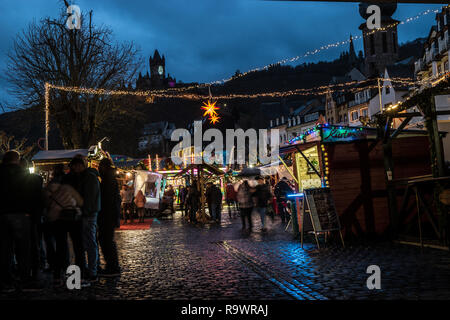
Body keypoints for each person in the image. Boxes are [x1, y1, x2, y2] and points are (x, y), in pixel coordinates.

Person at [0, 151, 39, 292]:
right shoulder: (22, 174)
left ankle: (5, 280)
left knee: (4, 249)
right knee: (23, 249)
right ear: (16, 160)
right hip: (21, 214)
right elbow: (30, 195)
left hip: (3, 214)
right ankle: (25, 279)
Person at [45, 165, 85, 286]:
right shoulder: (68, 188)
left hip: (57, 220)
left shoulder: (48, 190)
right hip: (72, 218)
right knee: (78, 248)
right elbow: (80, 202)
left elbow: (46, 204)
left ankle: (58, 276)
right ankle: (76, 279)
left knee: (60, 248)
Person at [64, 156, 101, 282]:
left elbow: (89, 199)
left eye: (76, 165)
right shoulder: (83, 177)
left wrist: (83, 211)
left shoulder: (89, 178)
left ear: (82, 165)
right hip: (85, 213)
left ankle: (93, 272)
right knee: (87, 243)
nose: (75, 168)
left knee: (90, 243)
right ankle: (90, 270)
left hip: (88, 214)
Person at [97, 158, 121, 277]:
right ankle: (112, 266)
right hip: (109, 215)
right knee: (107, 241)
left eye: (100, 166)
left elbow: (108, 200)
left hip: (107, 216)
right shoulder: (110, 179)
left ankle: (112, 267)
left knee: (106, 241)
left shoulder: (108, 180)